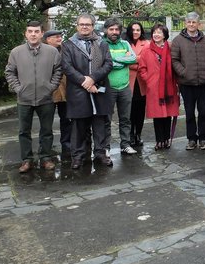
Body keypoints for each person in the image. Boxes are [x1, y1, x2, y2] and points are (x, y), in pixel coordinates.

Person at [5, 21, 62, 173]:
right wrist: (18, 88)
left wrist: (51, 87)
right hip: (24, 99)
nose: (33, 34)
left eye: (36, 31)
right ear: (26, 33)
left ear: (42, 33)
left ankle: (45, 158)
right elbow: (9, 72)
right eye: (30, 31)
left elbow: (58, 70)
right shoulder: (16, 52)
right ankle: (26, 160)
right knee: (24, 131)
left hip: (46, 98)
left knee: (47, 130)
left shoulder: (52, 52)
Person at [61, 13, 114, 169]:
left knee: (100, 125)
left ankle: (100, 154)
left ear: (93, 26)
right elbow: (66, 67)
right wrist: (84, 81)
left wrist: (93, 78)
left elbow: (108, 64)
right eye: (81, 24)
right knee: (78, 126)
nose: (85, 27)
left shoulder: (102, 43)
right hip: (78, 91)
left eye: (88, 24)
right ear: (77, 26)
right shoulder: (68, 44)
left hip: (99, 89)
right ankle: (77, 156)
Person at [171, 12, 205, 151]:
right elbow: (174, 60)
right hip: (186, 83)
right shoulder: (178, 40)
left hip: (203, 82)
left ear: (198, 24)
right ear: (185, 23)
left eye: (194, 22)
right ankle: (191, 139)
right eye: (189, 22)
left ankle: (203, 139)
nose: (191, 24)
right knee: (189, 113)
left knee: (203, 112)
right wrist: (184, 73)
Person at [138, 23, 180, 150]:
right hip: (154, 88)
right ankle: (159, 140)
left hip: (169, 87)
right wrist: (149, 80)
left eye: (159, 32)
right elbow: (142, 68)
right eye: (154, 32)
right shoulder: (146, 50)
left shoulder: (171, 48)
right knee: (157, 116)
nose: (156, 35)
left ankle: (166, 139)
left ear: (165, 35)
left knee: (167, 115)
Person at [103, 19, 138, 155]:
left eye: (117, 29)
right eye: (111, 29)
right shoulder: (102, 44)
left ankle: (125, 144)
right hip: (108, 88)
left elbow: (133, 58)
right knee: (106, 119)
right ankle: (105, 147)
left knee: (125, 119)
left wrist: (113, 60)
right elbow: (104, 63)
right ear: (106, 30)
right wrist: (122, 61)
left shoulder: (124, 43)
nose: (114, 32)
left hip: (125, 87)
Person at [43, 29, 71, 161]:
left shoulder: (65, 50)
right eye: (56, 37)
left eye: (60, 36)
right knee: (46, 122)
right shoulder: (42, 51)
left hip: (65, 91)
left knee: (66, 120)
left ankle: (67, 144)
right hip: (48, 92)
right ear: (48, 39)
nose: (59, 39)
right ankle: (45, 148)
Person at [126, 22, 149, 148]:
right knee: (129, 112)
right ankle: (129, 135)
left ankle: (138, 134)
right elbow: (123, 62)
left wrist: (132, 59)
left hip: (141, 82)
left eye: (138, 30)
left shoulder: (146, 44)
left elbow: (147, 61)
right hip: (128, 82)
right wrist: (138, 59)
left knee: (140, 111)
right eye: (133, 29)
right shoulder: (124, 44)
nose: (135, 32)